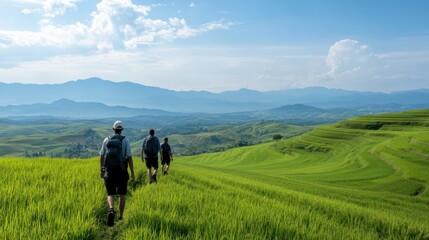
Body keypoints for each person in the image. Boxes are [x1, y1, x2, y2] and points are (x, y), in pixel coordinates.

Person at [99, 120, 135, 227]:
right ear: (122, 129)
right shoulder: (125, 141)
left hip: (109, 171)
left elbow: (101, 156)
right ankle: (120, 217)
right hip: (122, 171)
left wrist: (102, 170)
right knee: (122, 194)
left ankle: (111, 209)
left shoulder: (107, 140)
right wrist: (132, 172)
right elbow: (129, 157)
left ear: (113, 129)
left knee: (110, 193)